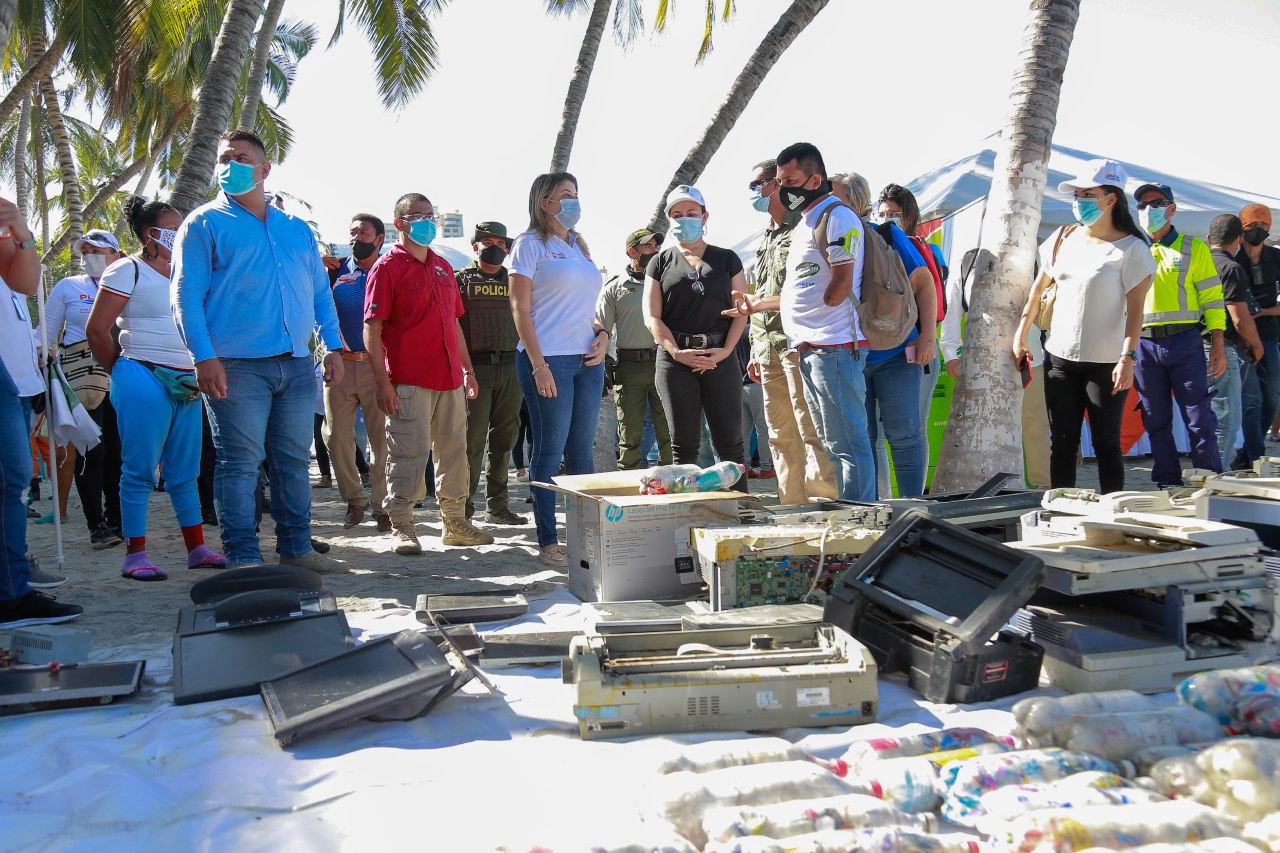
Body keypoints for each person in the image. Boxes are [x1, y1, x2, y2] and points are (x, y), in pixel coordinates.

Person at [172, 128, 349, 573]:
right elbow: (185, 296)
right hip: (234, 366)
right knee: (240, 463)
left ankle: (296, 549)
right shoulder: (203, 223)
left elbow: (319, 294)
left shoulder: (296, 230)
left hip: (294, 363)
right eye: (224, 158)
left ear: (265, 169)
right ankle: (244, 556)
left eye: (241, 158)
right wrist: (203, 356)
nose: (229, 166)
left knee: (292, 461)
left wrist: (333, 346)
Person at [85, 196, 227, 580]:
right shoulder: (125, 271)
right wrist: (124, 372)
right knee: (139, 470)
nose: (182, 232)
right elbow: (97, 330)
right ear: (152, 235)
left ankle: (196, 549)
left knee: (185, 471)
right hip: (141, 374)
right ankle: (136, 554)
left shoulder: (190, 273)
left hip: (186, 379)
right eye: (174, 226)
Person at [726, 143, 875, 502]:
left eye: (788, 180)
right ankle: (823, 514)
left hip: (833, 346)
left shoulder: (836, 217)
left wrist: (820, 309)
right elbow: (799, 290)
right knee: (827, 439)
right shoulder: (809, 221)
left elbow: (840, 283)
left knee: (843, 444)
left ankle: (858, 517)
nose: (782, 189)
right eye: (778, 181)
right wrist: (760, 306)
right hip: (806, 346)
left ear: (815, 179)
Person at [1013, 159, 1155, 494]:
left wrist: (1127, 359)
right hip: (1059, 359)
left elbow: (1137, 313)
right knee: (1061, 443)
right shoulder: (1061, 238)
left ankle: (1110, 515)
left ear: (1111, 199)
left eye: (1088, 194)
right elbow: (1036, 292)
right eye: (1077, 194)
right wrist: (1021, 336)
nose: (1080, 200)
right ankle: (1062, 513)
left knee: (1107, 446)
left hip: (1107, 364)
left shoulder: (1132, 249)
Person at [364, 193, 493, 554]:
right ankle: (402, 525)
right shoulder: (387, 266)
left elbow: (453, 324)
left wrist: (468, 371)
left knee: (454, 453)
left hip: (450, 379)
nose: (426, 221)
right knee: (409, 453)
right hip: (408, 380)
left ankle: (455, 522)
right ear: (399, 222)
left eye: (430, 215)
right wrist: (382, 382)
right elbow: (372, 328)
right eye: (417, 215)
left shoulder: (442, 266)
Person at [509, 172, 608, 567]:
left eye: (576, 195)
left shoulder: (579, 247)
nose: (573, 202)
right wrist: (538, 366)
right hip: (548, 360)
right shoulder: (529, 245)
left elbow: (586, 307)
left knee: (582, 452)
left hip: (588, 359)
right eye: (565, 195)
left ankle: (584, 537)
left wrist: (602, 333)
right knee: (549, 451)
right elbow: (519, 310)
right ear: (544, 202)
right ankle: (548, 540)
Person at [0, 195, 82, 626]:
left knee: (14, 482)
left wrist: (23, 234)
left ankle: (12, 586)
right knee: (10, 478)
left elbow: (23, 282)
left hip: (14, 376)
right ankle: (10, 593)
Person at [745, 160, 838, 505]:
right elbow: (760, 296)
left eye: (759, 184)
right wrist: (756, 348)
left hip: (799, 343)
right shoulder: (766, 236)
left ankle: (821, 510)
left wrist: (757, 306)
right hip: (768, 347)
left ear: (778, 184)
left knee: (811, 430)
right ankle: (791, 508)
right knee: (780, 435)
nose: (754, 192)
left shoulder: (803, 228)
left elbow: (804, 292)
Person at [643, 185, 749, 488]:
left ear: (704, 216)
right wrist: (676, 352)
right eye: (677, 215)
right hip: (675, 360)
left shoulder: (727, 259)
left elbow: (741, 310)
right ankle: (688, 518)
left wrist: (726, 351)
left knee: (730, 444)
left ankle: (740, 512)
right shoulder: (660, 261)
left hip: (721, 357)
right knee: (684, 447)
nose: (684, 219)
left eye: (691, 213)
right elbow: (652, 316)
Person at [1131, 182, 1226, 485]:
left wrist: (1219, 344)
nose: (1149, 210)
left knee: (1199, 419)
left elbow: (1213, 298)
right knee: (1155, 421)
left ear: (1172, 208)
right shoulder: (1131, 248)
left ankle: (1210, 481)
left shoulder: (1193, 247)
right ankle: (1167, 482)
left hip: (1185, 342)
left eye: (1157, 203)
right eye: (1143, 205)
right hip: (1143, 344)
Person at [40, 229, 125, 548]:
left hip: (122, 372)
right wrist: (39, 355)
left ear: (115, 254)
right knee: (93, 449)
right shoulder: (68, 286)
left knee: (119, 451)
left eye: (97, 250)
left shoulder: (129, 282)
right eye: (85, 250)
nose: (90, 255)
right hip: (81, 374)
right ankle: (97, 526)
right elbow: (46, 331)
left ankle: (117, 519)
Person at [943, 248, 1052, 488]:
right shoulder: (968, 259)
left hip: (1028, 357)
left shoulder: (1033, 256)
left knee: (1034, 425)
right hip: (980, 362)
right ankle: (986, 487)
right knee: (983, 427)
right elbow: (953, 307)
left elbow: (1047, 303)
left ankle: (1042, 486)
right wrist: (950, 351)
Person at [861, 192, 935, 498]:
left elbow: (924, 282)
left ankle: (912, 510)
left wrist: (927, 336)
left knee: (905, 436)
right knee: (864, 440)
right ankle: (878, 510)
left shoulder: (885, 236)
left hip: (897, 354)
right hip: (851, 356)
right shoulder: (820, 238)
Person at [322, 214, 390, 531]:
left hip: (379, 366)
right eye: (352, 232)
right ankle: (354, 500)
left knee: (381, 441)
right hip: (341, 364)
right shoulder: (335, 271)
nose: (355, 237)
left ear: (379, 238)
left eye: (362, 232)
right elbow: (319, 311)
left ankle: (381, 506)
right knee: (336, 437)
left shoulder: (390, 269)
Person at [456, 221, 525, 526]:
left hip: (512, 366)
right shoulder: (460, 280)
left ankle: (497, 507)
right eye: (488, 242)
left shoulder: (517, 280)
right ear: (476, 246)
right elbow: (452, 327)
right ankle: (463, 509)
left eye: (500, 243)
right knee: (471, 442)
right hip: (476, 369)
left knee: (504, 441)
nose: (495, 248)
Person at [877, 184, 946, 485]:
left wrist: (927, 338)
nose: (888, 219)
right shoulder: (874, 244)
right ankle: (881, 500)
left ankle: (916, 494)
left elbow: (935, 296)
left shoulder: (927, 249)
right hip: (884, 348)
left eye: (895, 214)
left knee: (913, 430)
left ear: (910, 215)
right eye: (882, 214)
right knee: (876, 434)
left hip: (918, 347)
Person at [596, 228, 672, 469]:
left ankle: (677, 485)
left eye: (656, 246)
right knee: (629, 436)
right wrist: (602, 366)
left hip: (664, 363)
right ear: (632, 251)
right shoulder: (615, 287)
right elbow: (601, 330)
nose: (654, 251)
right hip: (628, 368)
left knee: (670, 432)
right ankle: (630, 490)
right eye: (648, 246)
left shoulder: (668, 283)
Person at [1206, 214, 1264, 472]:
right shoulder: (1231, 268)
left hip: (1186, 345)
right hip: (1219, 347)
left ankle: (1203, 471)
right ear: (1239, 239)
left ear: (1209, 239)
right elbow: (1239, 318)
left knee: (1202, 417)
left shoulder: (1197, 262)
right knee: (1226, 419)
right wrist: (1256, 344)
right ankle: (1215, 475)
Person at [1233, 203, 1280, 468]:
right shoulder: (1233, 258)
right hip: (1240, 339)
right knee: (1251, 401)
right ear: (1242, 228)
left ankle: (1246, 454)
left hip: (1270, 336)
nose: (1259, 229)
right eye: (1252, 225)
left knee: (1272, 398)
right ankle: (1255, 457)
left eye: (1264, 224)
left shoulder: (1276, 257)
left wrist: (1263, 312)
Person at [736, 335, 772, 477]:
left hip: (738, 386)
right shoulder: (755, 332)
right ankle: (767, 467)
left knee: (743, 431)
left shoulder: (734, 334)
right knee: (764, 428)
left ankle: (745, 468)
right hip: (756, 384)